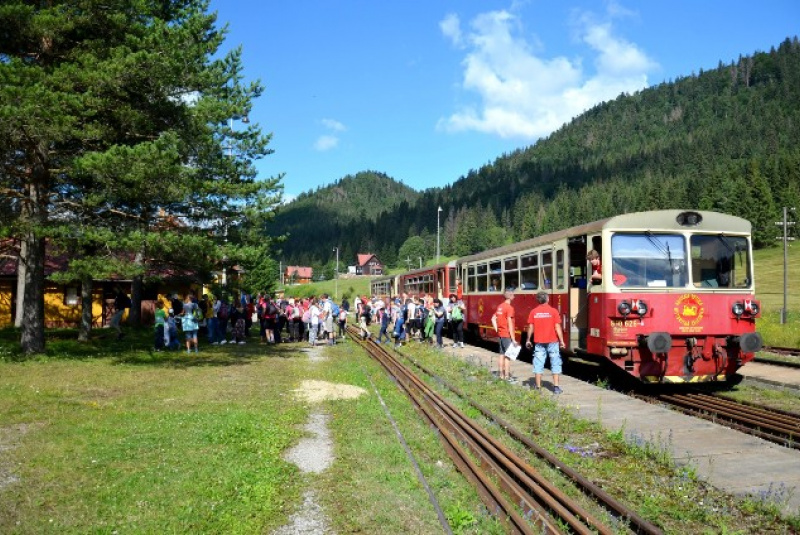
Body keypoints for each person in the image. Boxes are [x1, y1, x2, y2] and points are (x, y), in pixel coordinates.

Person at [525, 291, 566, 394]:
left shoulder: (534, 312)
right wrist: (561, 341)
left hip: (539, 342)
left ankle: (538, 388)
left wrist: (528, 339)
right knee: (555, 362)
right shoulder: (553, 311)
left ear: (538, 300)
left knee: (538, 363)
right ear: (547, 299)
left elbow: (531, 327)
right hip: (553, 341)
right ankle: (556, 387)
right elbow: (557, 327)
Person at [491, 289, 518, 381]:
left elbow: (493, 319)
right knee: (508, 356)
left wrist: (497, 330)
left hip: (501, 334)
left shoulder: (500, 306)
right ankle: (507, 376)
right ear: (510, 296)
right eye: (513, 295)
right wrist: (513, 339)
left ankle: (501, 375)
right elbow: (510, 323)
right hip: (507, 335)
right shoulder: (510, 308)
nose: (514, 296)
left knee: (501, 355)